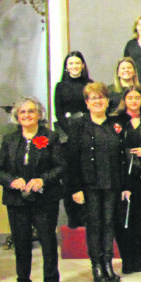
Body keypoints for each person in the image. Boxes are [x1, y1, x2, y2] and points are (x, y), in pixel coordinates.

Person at [0, 98, 65, 282]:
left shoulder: (50, 137)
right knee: (21, 242)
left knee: (48, 241)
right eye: (23, 112)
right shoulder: (9, 140)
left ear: (39, 114)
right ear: (17, 116)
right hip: (17, 199)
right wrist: (12, 181)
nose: (27, 115)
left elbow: (60, 166)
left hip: (44, 198)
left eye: (31, 111)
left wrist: (42, 180)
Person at [67, 82, 130, 282]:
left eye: (101, 97)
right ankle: (96, 265)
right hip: (89, 185)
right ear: (87, 103)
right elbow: (72, 158)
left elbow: (123, 156)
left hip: (112, 183)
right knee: (95, 225)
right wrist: (75, 187)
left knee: (109, 223)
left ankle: (108, 264)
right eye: (93, 98)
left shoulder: (115, 125)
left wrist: (125, 184)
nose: (97, 101)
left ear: (107, 101)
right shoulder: (79, 125)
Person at [112, 86, 141, 274]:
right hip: (121, 176)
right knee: (122, 219)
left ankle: (137, 259)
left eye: (137, 97)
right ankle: (126, 258)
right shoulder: (116, 121)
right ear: (125, 100)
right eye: (130, 98)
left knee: (139, 219)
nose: (133, 101)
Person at [53, 51, 91, 228]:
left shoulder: (90, 84)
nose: (75, 66)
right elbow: (59, 113)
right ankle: (73, 219)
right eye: (71, 63)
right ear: (66, 67)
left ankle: (87, 216)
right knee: (70, 175)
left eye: (78, 63)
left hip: (86, 130)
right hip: (67, 134)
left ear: (83, 65)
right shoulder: (60, 86)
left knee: (86, 173)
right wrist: (70, 132)